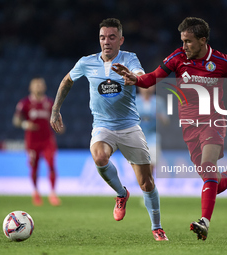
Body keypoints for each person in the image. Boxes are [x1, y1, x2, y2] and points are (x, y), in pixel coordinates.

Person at [112, 17, 227, 241]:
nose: (183, 46)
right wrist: (136, 79)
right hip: (189, 126)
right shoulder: (178, 57)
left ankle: (204, 222)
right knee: (213, 182)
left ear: (202, 40)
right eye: (182, 41)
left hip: (213, 122)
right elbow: (153, 78)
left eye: (188, 41)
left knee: (208, 169)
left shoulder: (221, 61)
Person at [50, 18, 168, 241]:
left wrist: (133, 77)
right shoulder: (87, 62)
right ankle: (121, 194)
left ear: (121, 40)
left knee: (147, 182)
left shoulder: (129, 58)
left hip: (130, 126)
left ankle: (157, 227)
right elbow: (67, 80)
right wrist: (56, 109)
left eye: (112, 37)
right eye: (103, 37)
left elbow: (141, 75)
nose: (106, 41)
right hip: (103, 126)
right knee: (99, 156)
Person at [13, 77, 61, 207]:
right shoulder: (24, 103)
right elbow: (16, 120)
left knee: (51, 164)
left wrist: (59, 126)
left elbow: (56, 119)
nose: (39, 87)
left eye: (41, 85)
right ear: (31, 88)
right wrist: (25, 124)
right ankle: (35, 192)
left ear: (45, 87)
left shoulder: (50, 103)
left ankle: (52, 193)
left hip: (47, 140)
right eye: (36, 85)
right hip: (32, 141)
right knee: (34, 167)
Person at [135, 86, 169, 173]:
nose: (147, 88)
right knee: (139, 164)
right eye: (144, 86)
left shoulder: (158, 102)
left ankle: (149, 183)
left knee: (151, 162)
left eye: (150, 86)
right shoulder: (134, 101)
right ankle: (141, 182)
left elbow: (166, 121)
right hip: (137, 137)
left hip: (153, 136)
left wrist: (160, 116)